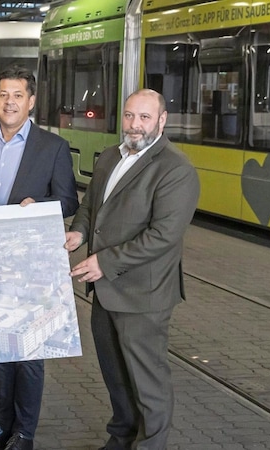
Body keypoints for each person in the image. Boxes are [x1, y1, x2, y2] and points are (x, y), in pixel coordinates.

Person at [64, 89, 199, 450]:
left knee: (146, 380)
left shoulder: (176, 169)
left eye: (144, 117)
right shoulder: (110, 157)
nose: (134, 125)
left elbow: (163, 236)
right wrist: (78, 231)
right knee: (116, 376)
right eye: (128, 116)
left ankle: (150, 444)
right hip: (106, 292)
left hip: (143, 294)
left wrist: (104, 262)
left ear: (161, 120)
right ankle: (121, 437)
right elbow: (92, 206)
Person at [0, 66, 78, 450]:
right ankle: (0, 427)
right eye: (3, 94)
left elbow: (69, 200)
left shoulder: (52, 146)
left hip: (30, 264)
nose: (9, 102)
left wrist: (38, 204)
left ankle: (24, 433)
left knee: (28, 351)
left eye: (17, 95)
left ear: (31, 101)